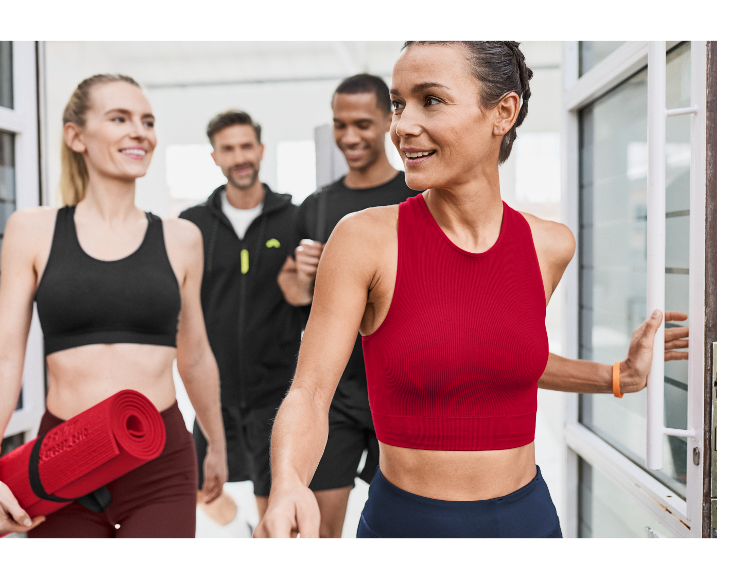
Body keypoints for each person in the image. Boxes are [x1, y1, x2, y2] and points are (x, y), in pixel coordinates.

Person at [256, 40, 690, 539]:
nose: (401, 126)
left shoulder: (549, 245)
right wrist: (289, 483)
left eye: (431, 100)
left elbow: (496, 355)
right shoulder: (364, 240)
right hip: (407, 524)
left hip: (528, 520)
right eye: (399, 104)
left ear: (503, 112)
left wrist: (617, 376)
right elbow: (310, 392)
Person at [0, 75, 228, 539]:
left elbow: (196, 355)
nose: (140, 132)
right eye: (120, 118)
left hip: (162, 464)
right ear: (76, 137)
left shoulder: (181, 238)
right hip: (63, 462)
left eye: (147, 121)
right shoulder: (31, 230)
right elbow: (4, 356)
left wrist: (216, 445)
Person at [277, 74, 416, 539]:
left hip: (401, 391)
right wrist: (300, 275)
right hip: (333, 394)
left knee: (403, 524)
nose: (349, 137)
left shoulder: (418, 199)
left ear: (388, 122)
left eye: (362, 123)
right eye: (339, 124)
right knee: (316, 528)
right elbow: (293, 296)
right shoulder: (317, 206)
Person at [180, 110, 303, 525]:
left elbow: (312, 296)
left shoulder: (294, 219)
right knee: (201, 488)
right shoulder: (193, 225)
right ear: (214, 156)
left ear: (261, 150)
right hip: (215, 393)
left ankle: (261, 528)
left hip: (276, 392)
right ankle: (244, 527)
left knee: (275, 503)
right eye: (228, 149)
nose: (239, 157)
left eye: (246, 146)